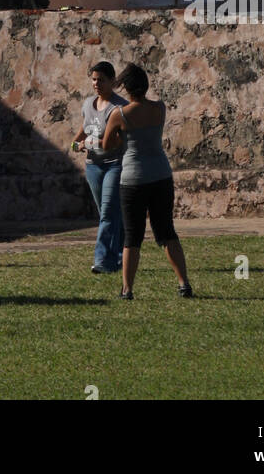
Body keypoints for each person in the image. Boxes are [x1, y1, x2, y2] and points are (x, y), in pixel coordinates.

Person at [102, 63, 193, 300]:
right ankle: (184, 283)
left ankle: (127, 289)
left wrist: (121, 137)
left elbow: (107, 145)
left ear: (127, 88)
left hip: (133, 179)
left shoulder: (120, 114)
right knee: (166, 232)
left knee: (132, 236)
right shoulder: (159, 108)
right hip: (161, 175)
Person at [70, 61, 125, 274]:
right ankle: (121, 255)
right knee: (108, 213)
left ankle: (102, 261)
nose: (96, 83)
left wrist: (90, 144)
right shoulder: (88, 104)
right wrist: (76, 144)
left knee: (108, 214)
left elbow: (118, 141)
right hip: (93, 166)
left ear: (112, 81)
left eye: (101, 79)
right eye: (94, 79)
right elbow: (81, 133)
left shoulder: (119, 107)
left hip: (114, 165)